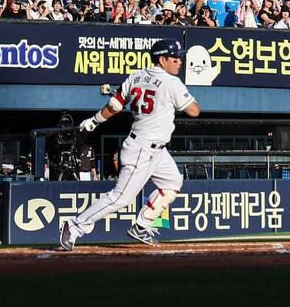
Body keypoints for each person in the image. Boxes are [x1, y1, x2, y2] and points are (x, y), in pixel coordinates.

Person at [59, 38, 200, 249]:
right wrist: (175, 100)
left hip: (157, 150)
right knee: (120, 198)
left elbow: (115, 104)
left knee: (172, 184)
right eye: (175, 58)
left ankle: (142, 225)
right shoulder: (172, 83)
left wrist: (94, 120)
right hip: (142, 148)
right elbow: (194, 110)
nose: (179, 62)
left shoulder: (136, 76)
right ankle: (75, 225)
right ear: (162, 59)